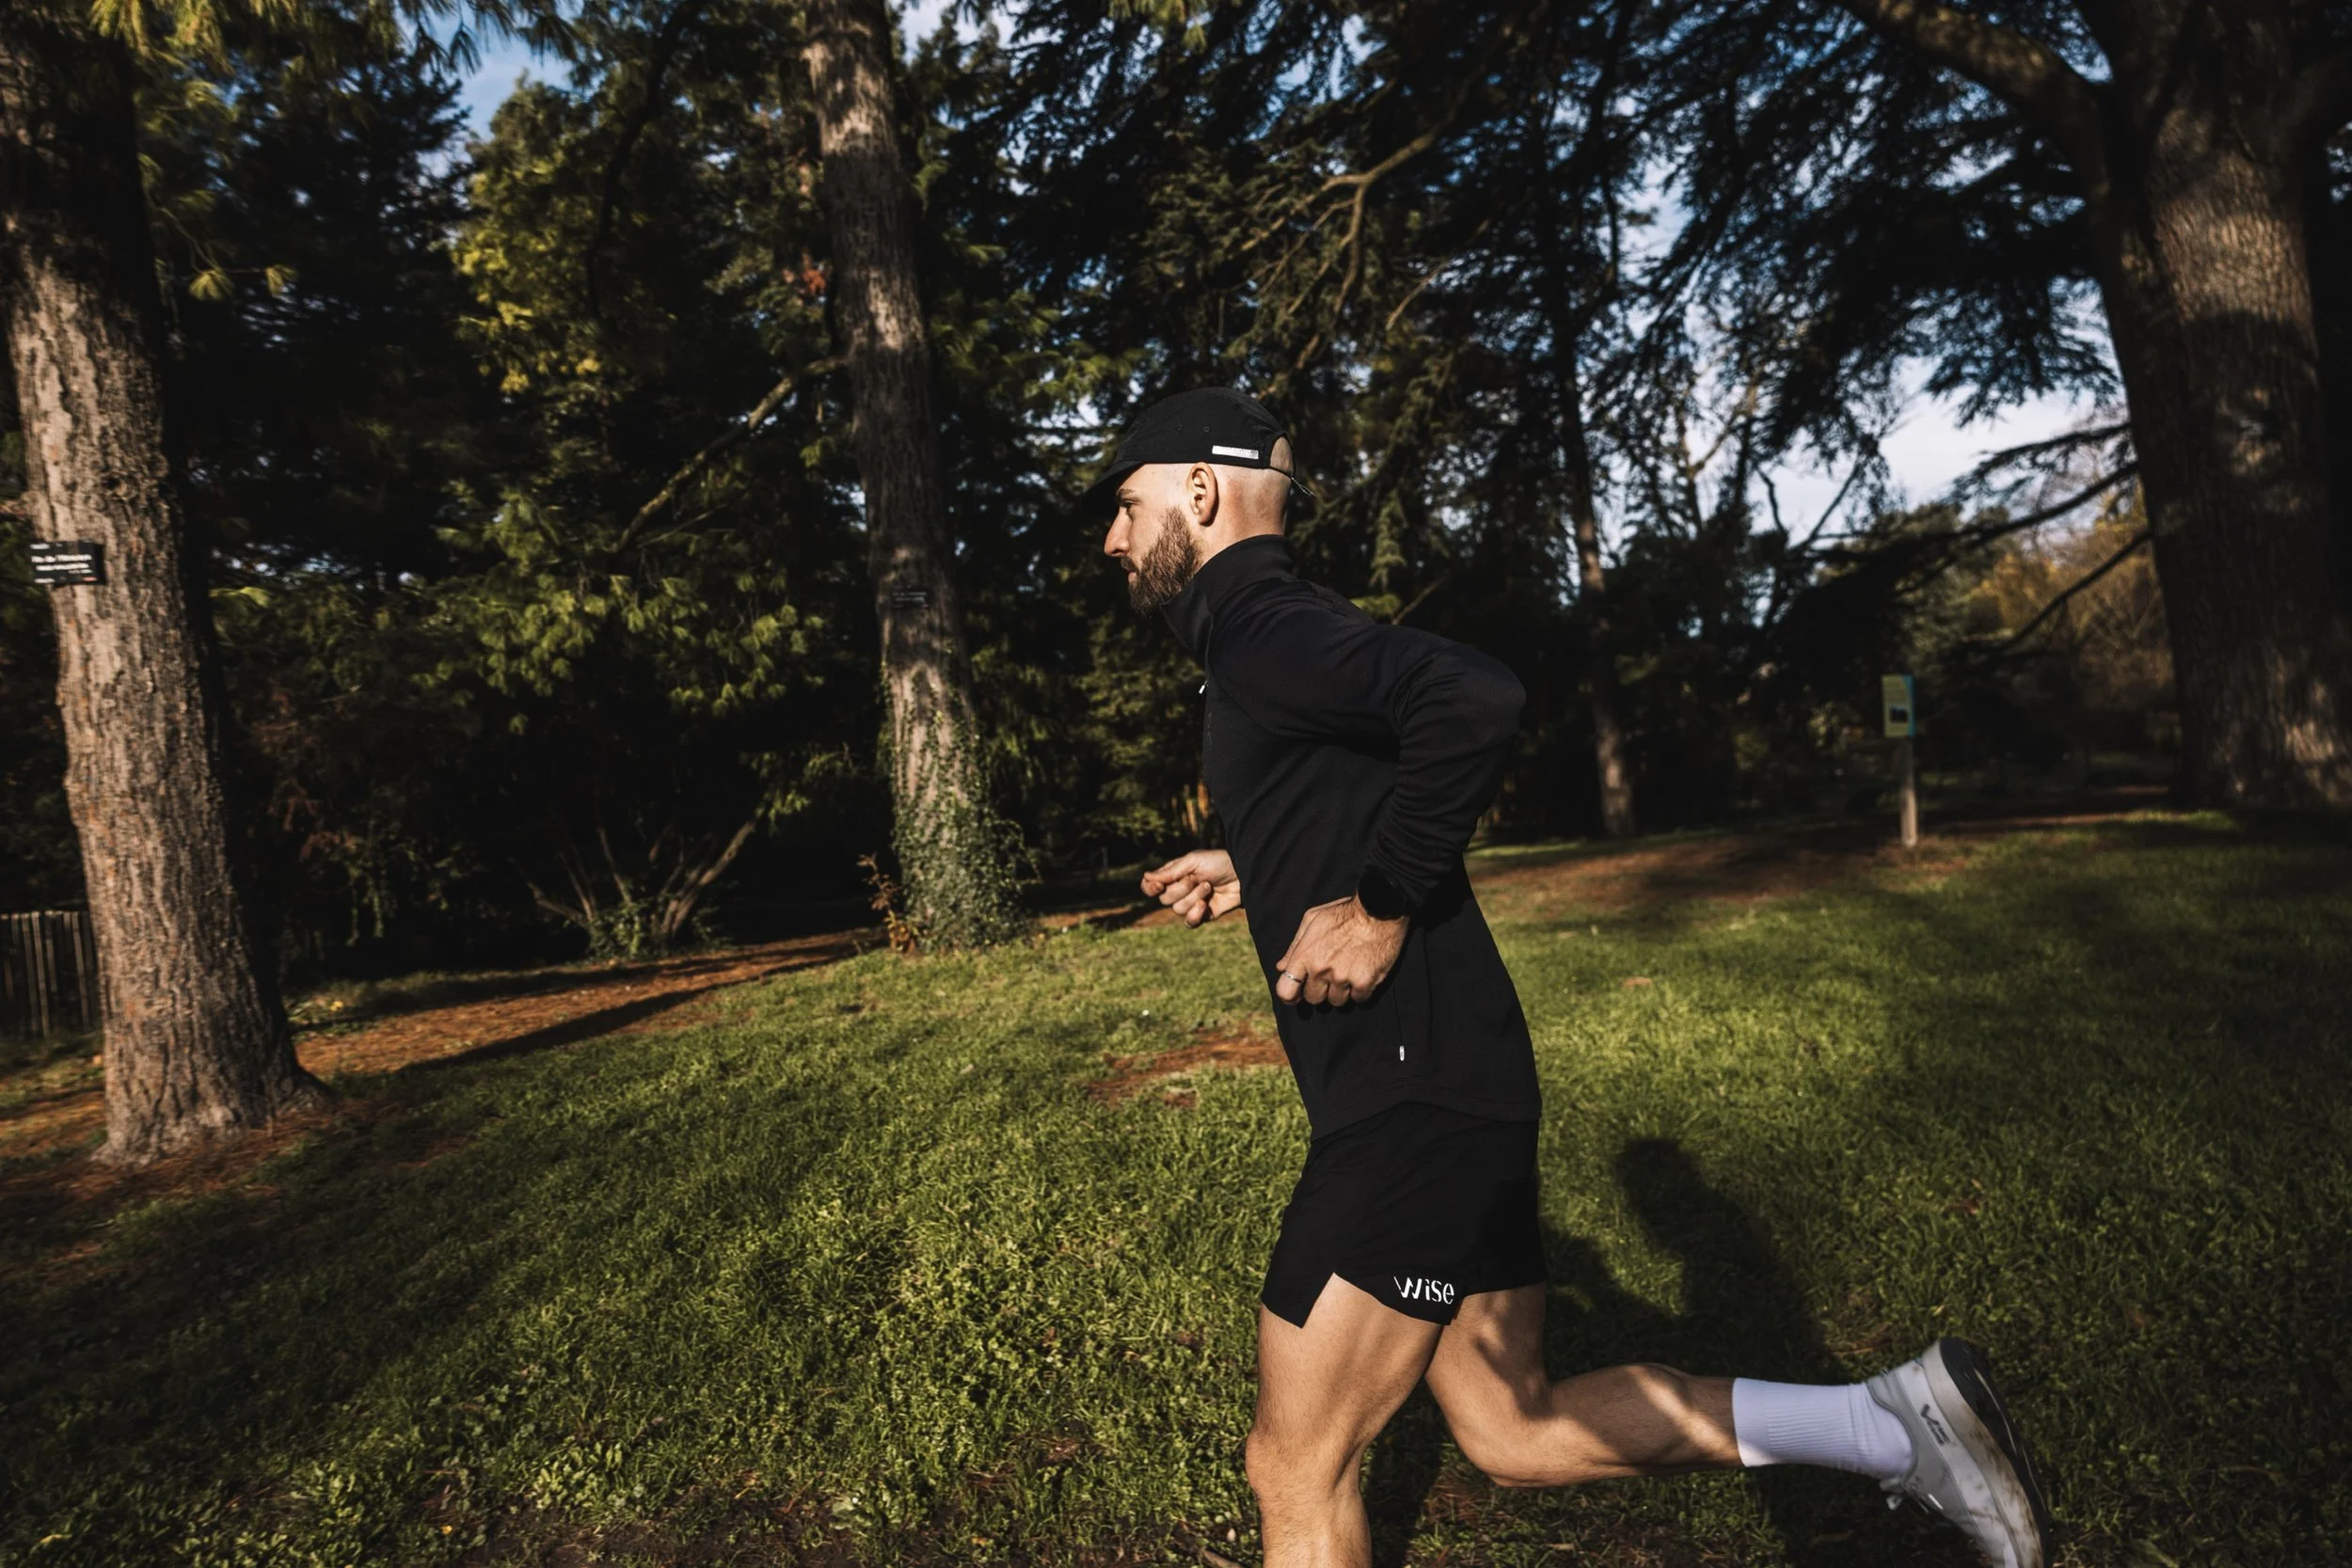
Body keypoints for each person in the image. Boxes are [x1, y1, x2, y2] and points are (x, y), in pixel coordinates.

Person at [1086, 387, 2053, 1568]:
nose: (1115, 539)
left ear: (1199, 489)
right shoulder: (1275, 632)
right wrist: (1263, 860)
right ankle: (1893, 1422)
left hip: (1409, 1103)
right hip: (1457, 1078)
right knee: (1512, 1425)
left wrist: (1381, 902)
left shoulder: (1258, 622)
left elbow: (1472, 699)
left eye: (1126, 506)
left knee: (1294, 1463)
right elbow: (1371, 773)